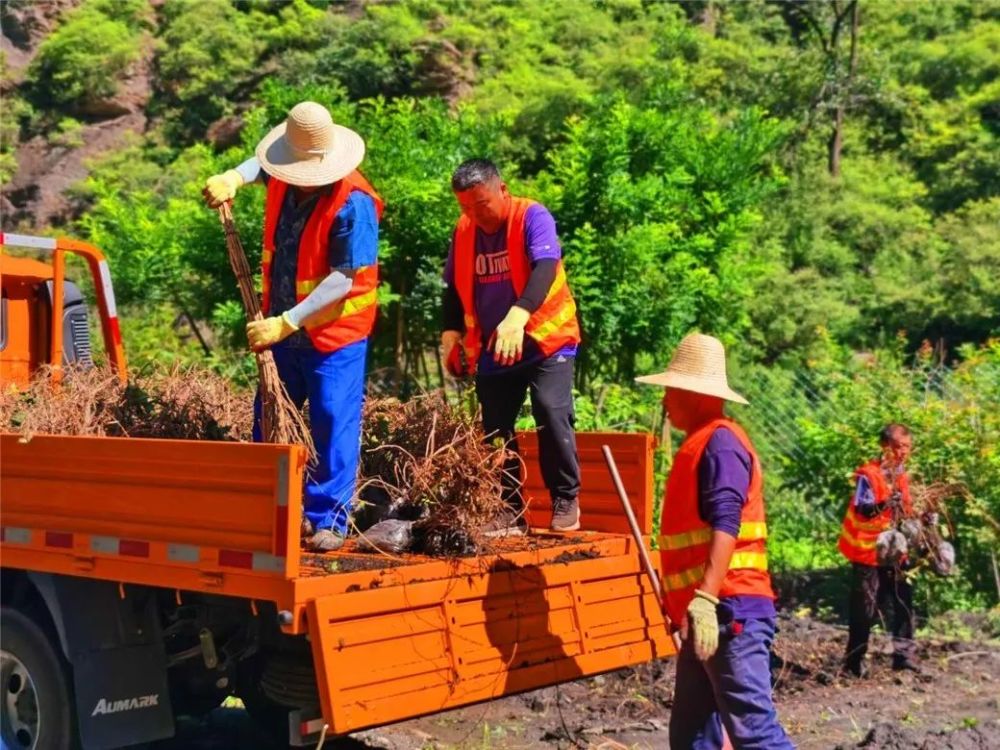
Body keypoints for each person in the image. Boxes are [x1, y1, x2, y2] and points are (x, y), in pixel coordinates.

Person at [203, 101, 383, 552]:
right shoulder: (285, 175)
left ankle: (329, 518)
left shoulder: (353, 203)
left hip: (333, 334)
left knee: (331, 420)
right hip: (280, 331)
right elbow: (261, 167)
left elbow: (343, 279)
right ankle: (273, 507)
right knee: (270, 417)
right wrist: (234, 177)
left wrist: (288, 321)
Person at [637, 332, 794, 750]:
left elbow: (728, 521)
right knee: (692, 735)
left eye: (670, 389)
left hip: (727, 610)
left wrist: (705, 597)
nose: (665, 401)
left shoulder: (720, 443)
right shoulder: (703, 442)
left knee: (754, 731)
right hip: (707, 615)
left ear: (691, 392)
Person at [440, 159, 582, 533]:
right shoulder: (464, 230)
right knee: (494, 426)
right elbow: (452, 285)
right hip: (496, 344)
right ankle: (507, 509)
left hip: (546, 338)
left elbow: (546, 266)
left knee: (551, 411)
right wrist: (450, 332)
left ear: (502, 190)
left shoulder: (532, 216)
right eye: (466, 207)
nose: (474, 214)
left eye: (481, 204)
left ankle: (566, 497)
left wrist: (518, 314)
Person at [839, 423, 918, 676]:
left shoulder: (902, 475)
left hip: (894, 552)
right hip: (868, 552)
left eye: (907, 447)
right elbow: (864, 510)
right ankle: (854, 662)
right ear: (885, 447)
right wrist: (885, 503)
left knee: (903, 602)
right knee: (865, 609)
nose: (903, 452)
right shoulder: (869, 475)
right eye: (897, 447)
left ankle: (904, 659)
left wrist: (922, 519)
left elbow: (906, 511)